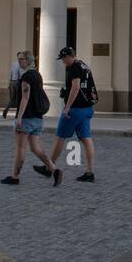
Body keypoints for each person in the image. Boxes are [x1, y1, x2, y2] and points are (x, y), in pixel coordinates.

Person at [35, 46, 96, 183]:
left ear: (69, 56)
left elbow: (76, 87)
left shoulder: (74, 67)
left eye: (63, 58)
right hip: (87, 108)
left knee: (60, 137)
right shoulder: (84, 65)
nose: (63, 62)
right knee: (86, 138)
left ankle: (49, 168)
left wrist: (67, 107)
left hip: (75, 109)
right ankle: (89, 171)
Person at [2, 51, 61, 186]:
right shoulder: (37, 75)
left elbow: (25, 98)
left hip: (27, 118)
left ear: (28, 60)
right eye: (18, 59)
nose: (19, 62)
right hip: (38, 119)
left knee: (20, 148)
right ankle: (54, 169)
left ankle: (15, 177)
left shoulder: (26, 77)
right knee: (35, 148)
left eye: (21, 59)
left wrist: (19, 118)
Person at [3, 51, 24, 119]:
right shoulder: (20, 64)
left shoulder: (13, 63)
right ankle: (17, 114)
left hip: (12, 82)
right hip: (17, 82)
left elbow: (11, 74)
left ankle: (6, 110)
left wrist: (10, 83)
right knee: (19, 99)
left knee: (12, 99)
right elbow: (20, 75)